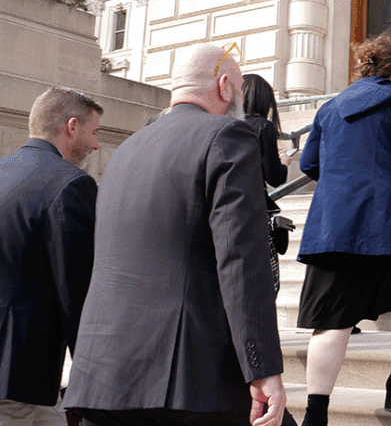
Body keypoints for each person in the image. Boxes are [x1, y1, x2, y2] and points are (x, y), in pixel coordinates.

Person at [64, 43, 286, 426]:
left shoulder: (126, 149)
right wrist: (262, 366)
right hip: (187, 381)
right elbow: (241, 260)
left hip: (100, 377)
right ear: (225, 87)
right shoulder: (227, 135)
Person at [296, 35, 391, 424]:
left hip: (334, 225)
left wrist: (344, 179)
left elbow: (309, 163)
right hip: (387, 220)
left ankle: (315, 415)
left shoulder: (329, 108)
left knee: (332, 320)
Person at [1, 88, 102, 426]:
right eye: (94, 131)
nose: (97, 144)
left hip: (28, 382)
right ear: (72, 126)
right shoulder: (72, 184)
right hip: (18, 375)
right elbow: (77, 291)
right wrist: (94, 380)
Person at [242, 74, 292, 288]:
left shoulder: (227, 124)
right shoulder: (263, 127)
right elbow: (274, 176)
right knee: (267, 282)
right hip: (255, 211)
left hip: (226, 209)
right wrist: (285, 163)